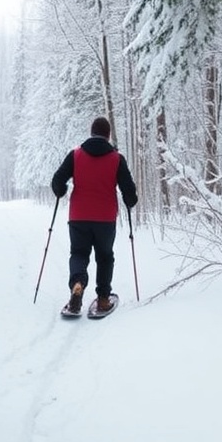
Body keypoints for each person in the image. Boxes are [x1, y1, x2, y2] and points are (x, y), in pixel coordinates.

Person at [51, 116, 137, 314]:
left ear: (91, 133)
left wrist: (62, 190)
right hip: (105, 218)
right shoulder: (117, 159)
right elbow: (130, 194)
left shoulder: (75, 155)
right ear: (108, 136)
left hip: (78, 216)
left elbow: (57, 182)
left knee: (79, 254)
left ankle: (78, 285)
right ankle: (104, 299)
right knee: (105, 257)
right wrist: (130, 200)